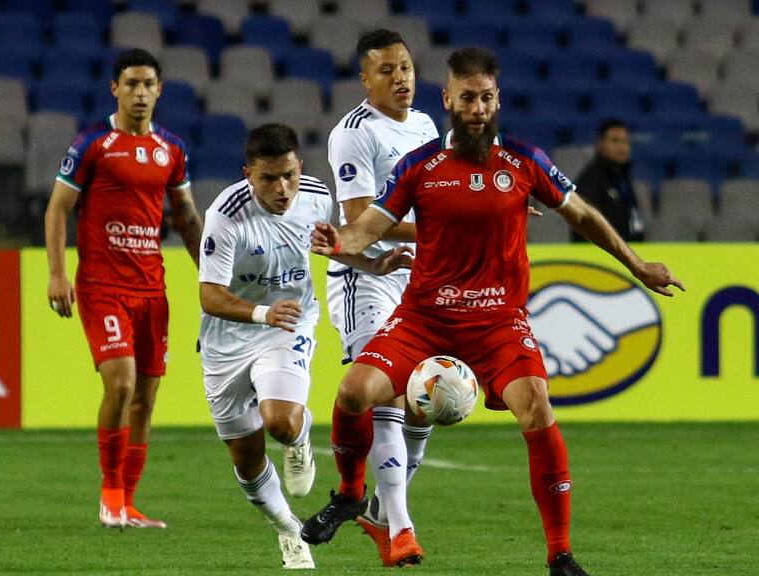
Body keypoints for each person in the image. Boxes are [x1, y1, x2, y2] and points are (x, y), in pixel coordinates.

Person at [301, 47, 684, 575]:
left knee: (537, 407)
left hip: (498, 320)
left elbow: (583, 215)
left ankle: (560, 555)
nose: (477, 109)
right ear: (448, 100)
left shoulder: (525, 161)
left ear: (497, 99)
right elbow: (371, 225)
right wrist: (339, 240)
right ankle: (349, 493)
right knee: (352, 392)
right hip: (426, 316)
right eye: (467, 98)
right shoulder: (420, 165)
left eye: (485, 98)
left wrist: (637, 265)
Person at [197, 123, 412, 569]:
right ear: (248, 174)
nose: (283, 188)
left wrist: (373, 265)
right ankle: (287, 529)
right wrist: (262, 313)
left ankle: (297, 435)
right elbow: (210, 296)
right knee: (246, 460)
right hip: (230, 336)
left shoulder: (315, 196)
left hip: (290, 322)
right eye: (269, 178)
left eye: (289, 175)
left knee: (280, 420)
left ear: (300, 167)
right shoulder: (226, 216)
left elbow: (328, 248)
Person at [44, 49, 203, 530]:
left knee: (145, 400)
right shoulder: (92, 143)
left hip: (152, 290)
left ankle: (128, 503)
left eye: (148, 84)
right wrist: (57, 273)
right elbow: (57, 209)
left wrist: (211, 275)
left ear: (159, 90)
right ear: (115, 88)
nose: (140, 93)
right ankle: (110, 496)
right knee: (121, 383)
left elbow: (187, 217)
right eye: (131, 84)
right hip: (102, 286)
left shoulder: (172, 149)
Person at [325, 29, 439, 566]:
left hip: (421, 276)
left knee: (427, 398)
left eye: (406, 67)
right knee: (388, 395)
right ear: (365, 80)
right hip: (367, 275)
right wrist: (442, 230)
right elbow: (358, 220)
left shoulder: (427, 126)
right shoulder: (354, 133)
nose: (400, 79)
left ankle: (380, 513)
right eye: (387, 70)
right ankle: (401, 529)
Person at [570, 118, 645, 242]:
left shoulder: (623, 176)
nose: (621, 147)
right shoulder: (590, 181)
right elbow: (585, 228)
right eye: (614, 141)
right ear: (600, 143)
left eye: (625, 141)